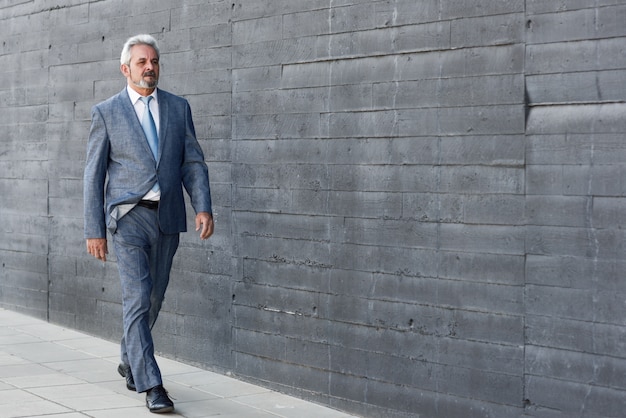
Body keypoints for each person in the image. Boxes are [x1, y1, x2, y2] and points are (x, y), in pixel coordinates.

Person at [83, 34, 214, 413]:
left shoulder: (177, 107)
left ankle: (130, 357)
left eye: (154, 61)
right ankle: (152, 384)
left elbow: (192, 162)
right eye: (142, 62)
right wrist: (94, 229)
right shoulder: (106, 112)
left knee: (154, 298)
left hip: (168, 216)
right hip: (128, 219)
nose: (150, 67)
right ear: (126, 68)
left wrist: (202, 206)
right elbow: (93, 176)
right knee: (138, 297)